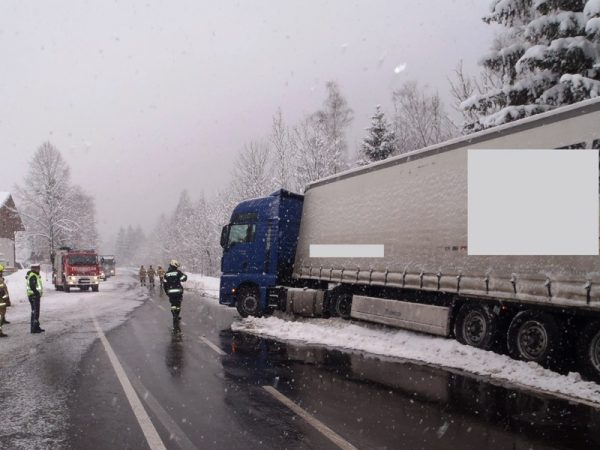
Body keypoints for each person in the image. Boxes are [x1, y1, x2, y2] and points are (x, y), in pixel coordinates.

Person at [162, 260, 188, 328]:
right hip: (178, 292)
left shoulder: (166, 274)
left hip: (170, 292)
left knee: (173, 304)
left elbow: (164, 284)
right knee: (178, 304)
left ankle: (174, 316)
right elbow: (183, 279)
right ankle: (177, 315)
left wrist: (166, 292)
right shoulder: (178, 272)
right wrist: (185, 276)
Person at [27, 263, 44, 334]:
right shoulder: (33, 276)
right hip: (34, 296)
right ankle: (34, 328)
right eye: (38, 268)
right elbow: (32, 286)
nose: (39, 270)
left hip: (33, 296)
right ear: (34, 269)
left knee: (35, 312)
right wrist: (37, 293)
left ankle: (36, 326)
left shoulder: (34, 275)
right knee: (35, 313)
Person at [0, 264, 11, 337]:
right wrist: (6, 299)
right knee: (1, 315)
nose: (2, 273)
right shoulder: (0, 281)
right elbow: (2, 291)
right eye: (1, 272)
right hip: (1, 301)